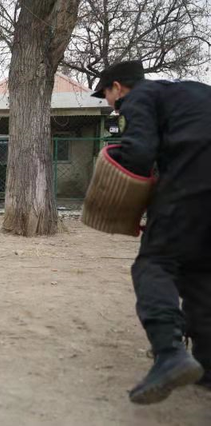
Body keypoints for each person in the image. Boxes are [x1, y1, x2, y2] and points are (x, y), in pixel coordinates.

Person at [91, 61, 211, 403]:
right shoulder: (189, 92)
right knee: (201, 269)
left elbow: (139, 154)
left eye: (108, 96)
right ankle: (208, 366)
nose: (111, 104)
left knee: (154, 262)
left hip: (193, 179)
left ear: (118, 86)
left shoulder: (139, 97)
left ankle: (169, 351)